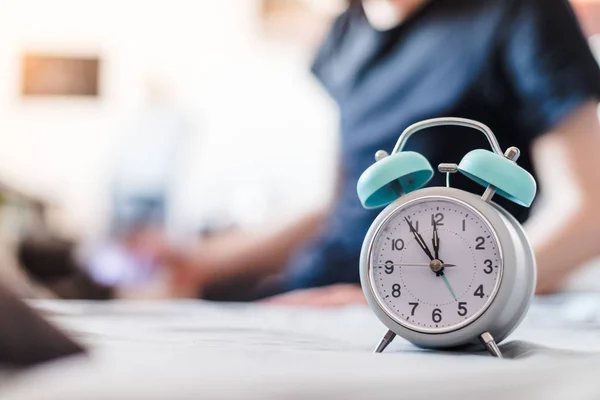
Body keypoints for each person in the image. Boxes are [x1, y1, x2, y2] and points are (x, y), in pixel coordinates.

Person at [163, 0, 600, 304]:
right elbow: (333, 202)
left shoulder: (519, 12)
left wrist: (422, 305)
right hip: (326, 285)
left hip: (428, 292)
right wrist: (200, 263)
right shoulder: (345, 32)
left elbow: (589, 212)